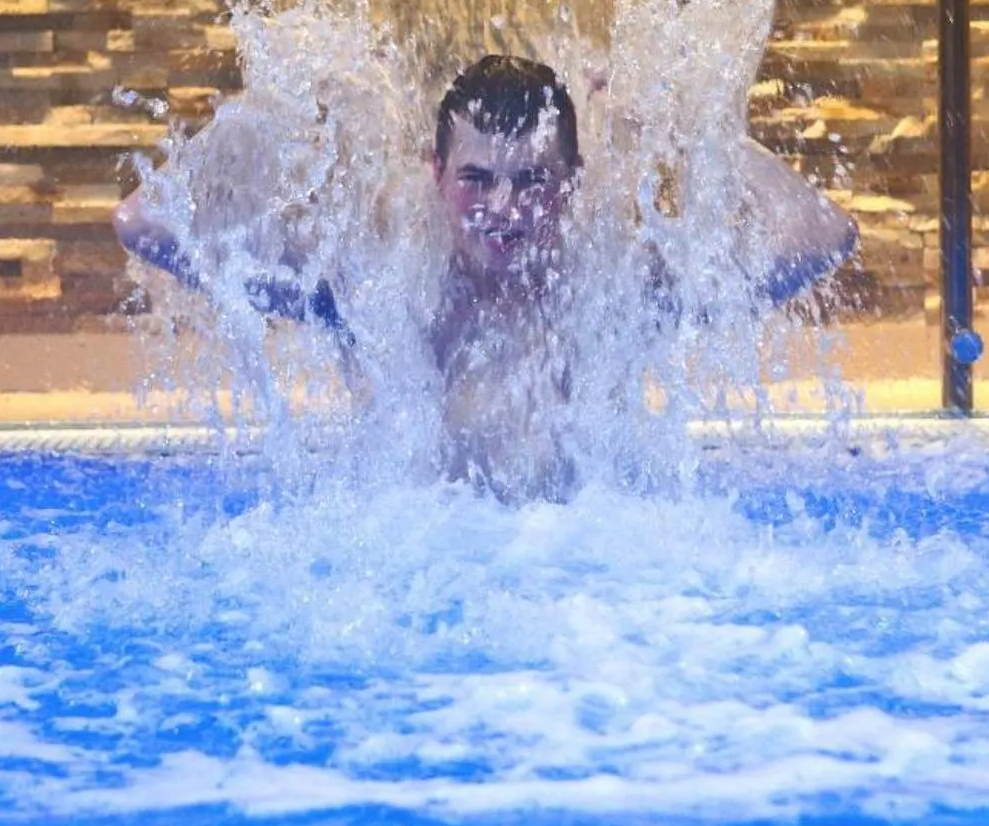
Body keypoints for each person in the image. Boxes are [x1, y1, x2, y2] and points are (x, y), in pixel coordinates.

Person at [114, 54, 855, 499]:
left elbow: (822, 238)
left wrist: (695, 127)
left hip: (580, 576)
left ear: (572, 178)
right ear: (436, 173)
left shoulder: (613, 286)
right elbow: (145, 224)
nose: (503, 209)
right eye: (476, 179)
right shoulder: (375, 279)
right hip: (423, 581)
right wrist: (257, 114)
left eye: (532, 180)